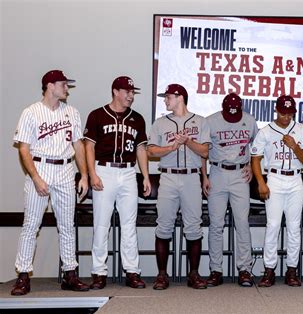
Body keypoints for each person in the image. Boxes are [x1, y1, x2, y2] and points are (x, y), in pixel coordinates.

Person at [11, 70, 90, 295]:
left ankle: (70, 274)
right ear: (50, 86)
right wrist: (36, 177)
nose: (67, 88)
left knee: (67, 225)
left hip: (65, 168)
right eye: (63, 84)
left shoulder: (72, 112)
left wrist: (83, 174)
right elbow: (24, 148)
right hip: (40, 166)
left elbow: (78, 145)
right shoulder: (31, 112)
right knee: (31, 225)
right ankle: (23, 276)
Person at [84, 76, 150, 289]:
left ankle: (132, 271)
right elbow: (89, 147)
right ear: (115, 91)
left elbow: (141, 149)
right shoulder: (97, 115)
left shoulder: (137, 118)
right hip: (104, 170)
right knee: (102, 224)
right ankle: (99, 272)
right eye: (127, 91)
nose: (131, 95)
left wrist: (146, 176)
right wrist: (92, 173)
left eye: (133, 92)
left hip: (129, 173)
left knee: (129, 225)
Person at [148, 83, 211, 290]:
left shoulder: (200, 121)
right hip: (168, 177)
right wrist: (171, 147)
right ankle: (162, 275)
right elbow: (151, 151)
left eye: (168, 97)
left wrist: (187, 142)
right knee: (164, 225)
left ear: (180, 97)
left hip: (191, 178)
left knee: (193, 227)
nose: (165, 100)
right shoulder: (159, 123)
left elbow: (204, 152)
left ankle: (193, 274)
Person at [251, 95, 303, 287]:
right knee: (273, 226)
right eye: (283, 112)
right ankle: (269, 270)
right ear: (276, 110)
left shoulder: (300, 129)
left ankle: (291, 270)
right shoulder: (266, 131)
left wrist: (294, 146)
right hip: (275, 178)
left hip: (295, 178)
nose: (286, 116)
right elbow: (255, 158)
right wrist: (261, 181)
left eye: (290, 113)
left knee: (294, 227)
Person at [202, 93, 258, 287]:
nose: (233, 116)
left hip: (240, 174)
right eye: (230, 113)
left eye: (236, 113)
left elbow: (256, 147)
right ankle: (216, 270)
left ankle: (245, 270)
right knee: (216, 224)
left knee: (242, 223)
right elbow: (203, 151)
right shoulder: (211, 121)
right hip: (217, 171)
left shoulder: (249, 120)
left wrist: (251, 164)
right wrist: (204, 176)